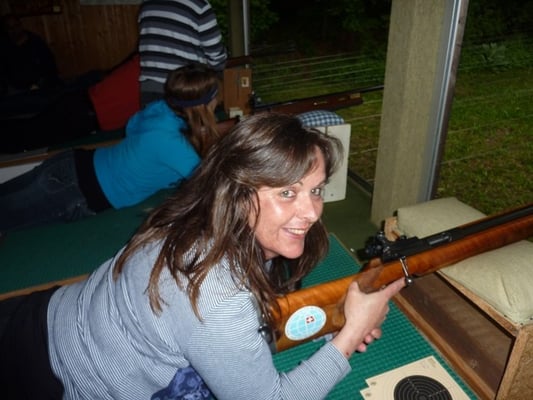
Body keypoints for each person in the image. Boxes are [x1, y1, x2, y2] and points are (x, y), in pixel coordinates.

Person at [0, 112, 405, 399]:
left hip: (44, 316)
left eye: (315, 190)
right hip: (43, 374)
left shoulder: (201, 218)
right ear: (238, 193)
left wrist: (336, 322)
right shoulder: (217, 294)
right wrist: (350, 335)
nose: (312, 212)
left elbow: (235, 331)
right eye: (287, 193)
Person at [0, 62, 222, 233]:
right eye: (215, 97)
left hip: (72, 164)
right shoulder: (173, 144)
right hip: (78, 191)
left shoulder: (160, 110)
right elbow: (211, 188)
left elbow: (134, 129)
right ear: (204, 106)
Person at [138, 0, 228, 107]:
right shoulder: (199, 6)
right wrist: (219, 68)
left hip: (150, 87)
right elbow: (215, 54)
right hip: (186, 88)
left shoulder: (147, 3)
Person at [0, 13, 61, 96]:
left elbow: (50, 64)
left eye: (16, 26)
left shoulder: (36, 42)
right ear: (5, 30)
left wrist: (44, 82)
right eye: (9, 28)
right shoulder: (4, 46)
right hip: (16, 90)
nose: (14, 30)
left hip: (40, 86)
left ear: (21, 25)